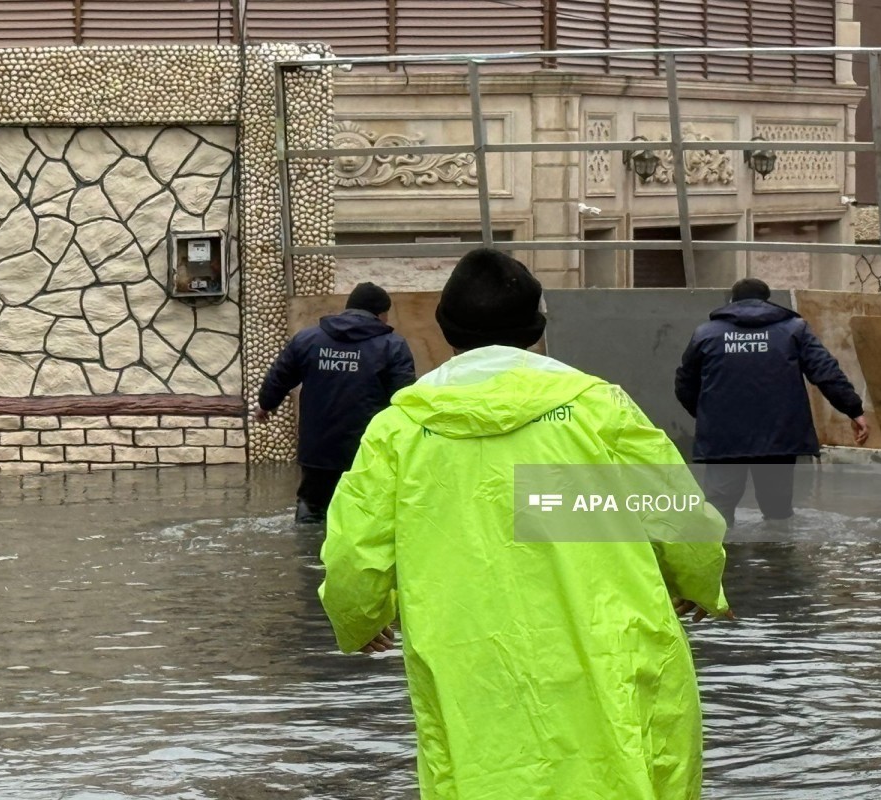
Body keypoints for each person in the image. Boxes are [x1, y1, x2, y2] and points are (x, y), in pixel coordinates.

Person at [319, 248, 732, 799]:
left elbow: (354, 554)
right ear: (536, 328)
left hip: (472, 664)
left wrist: (360, 616)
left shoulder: (399, 430)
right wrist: (697, 582)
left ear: (446, 329)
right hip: (613, 652)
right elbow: (679, 513)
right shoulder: (599, 408)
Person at [675, 277, 870, 528]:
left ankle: (722, 553)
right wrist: (854, 410)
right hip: (779, 434)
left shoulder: (706, 333)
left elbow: (684, 384)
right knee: (778, 511)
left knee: (718, 510)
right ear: (767, 301)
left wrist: (708, 417)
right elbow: (826, 372)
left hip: (724, 436)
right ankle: (778, 553)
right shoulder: (794, 330)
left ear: (732, 301)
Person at [255, 282, 415, 525]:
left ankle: (307, 548)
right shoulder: (392, 346)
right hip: (367, 449)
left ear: (348, 308)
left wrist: (266, 404)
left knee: (311, 512)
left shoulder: (308, 339)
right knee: (363, 515)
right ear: (381, 314)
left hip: (316, 450)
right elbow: (404, 397)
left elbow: (280, 376)